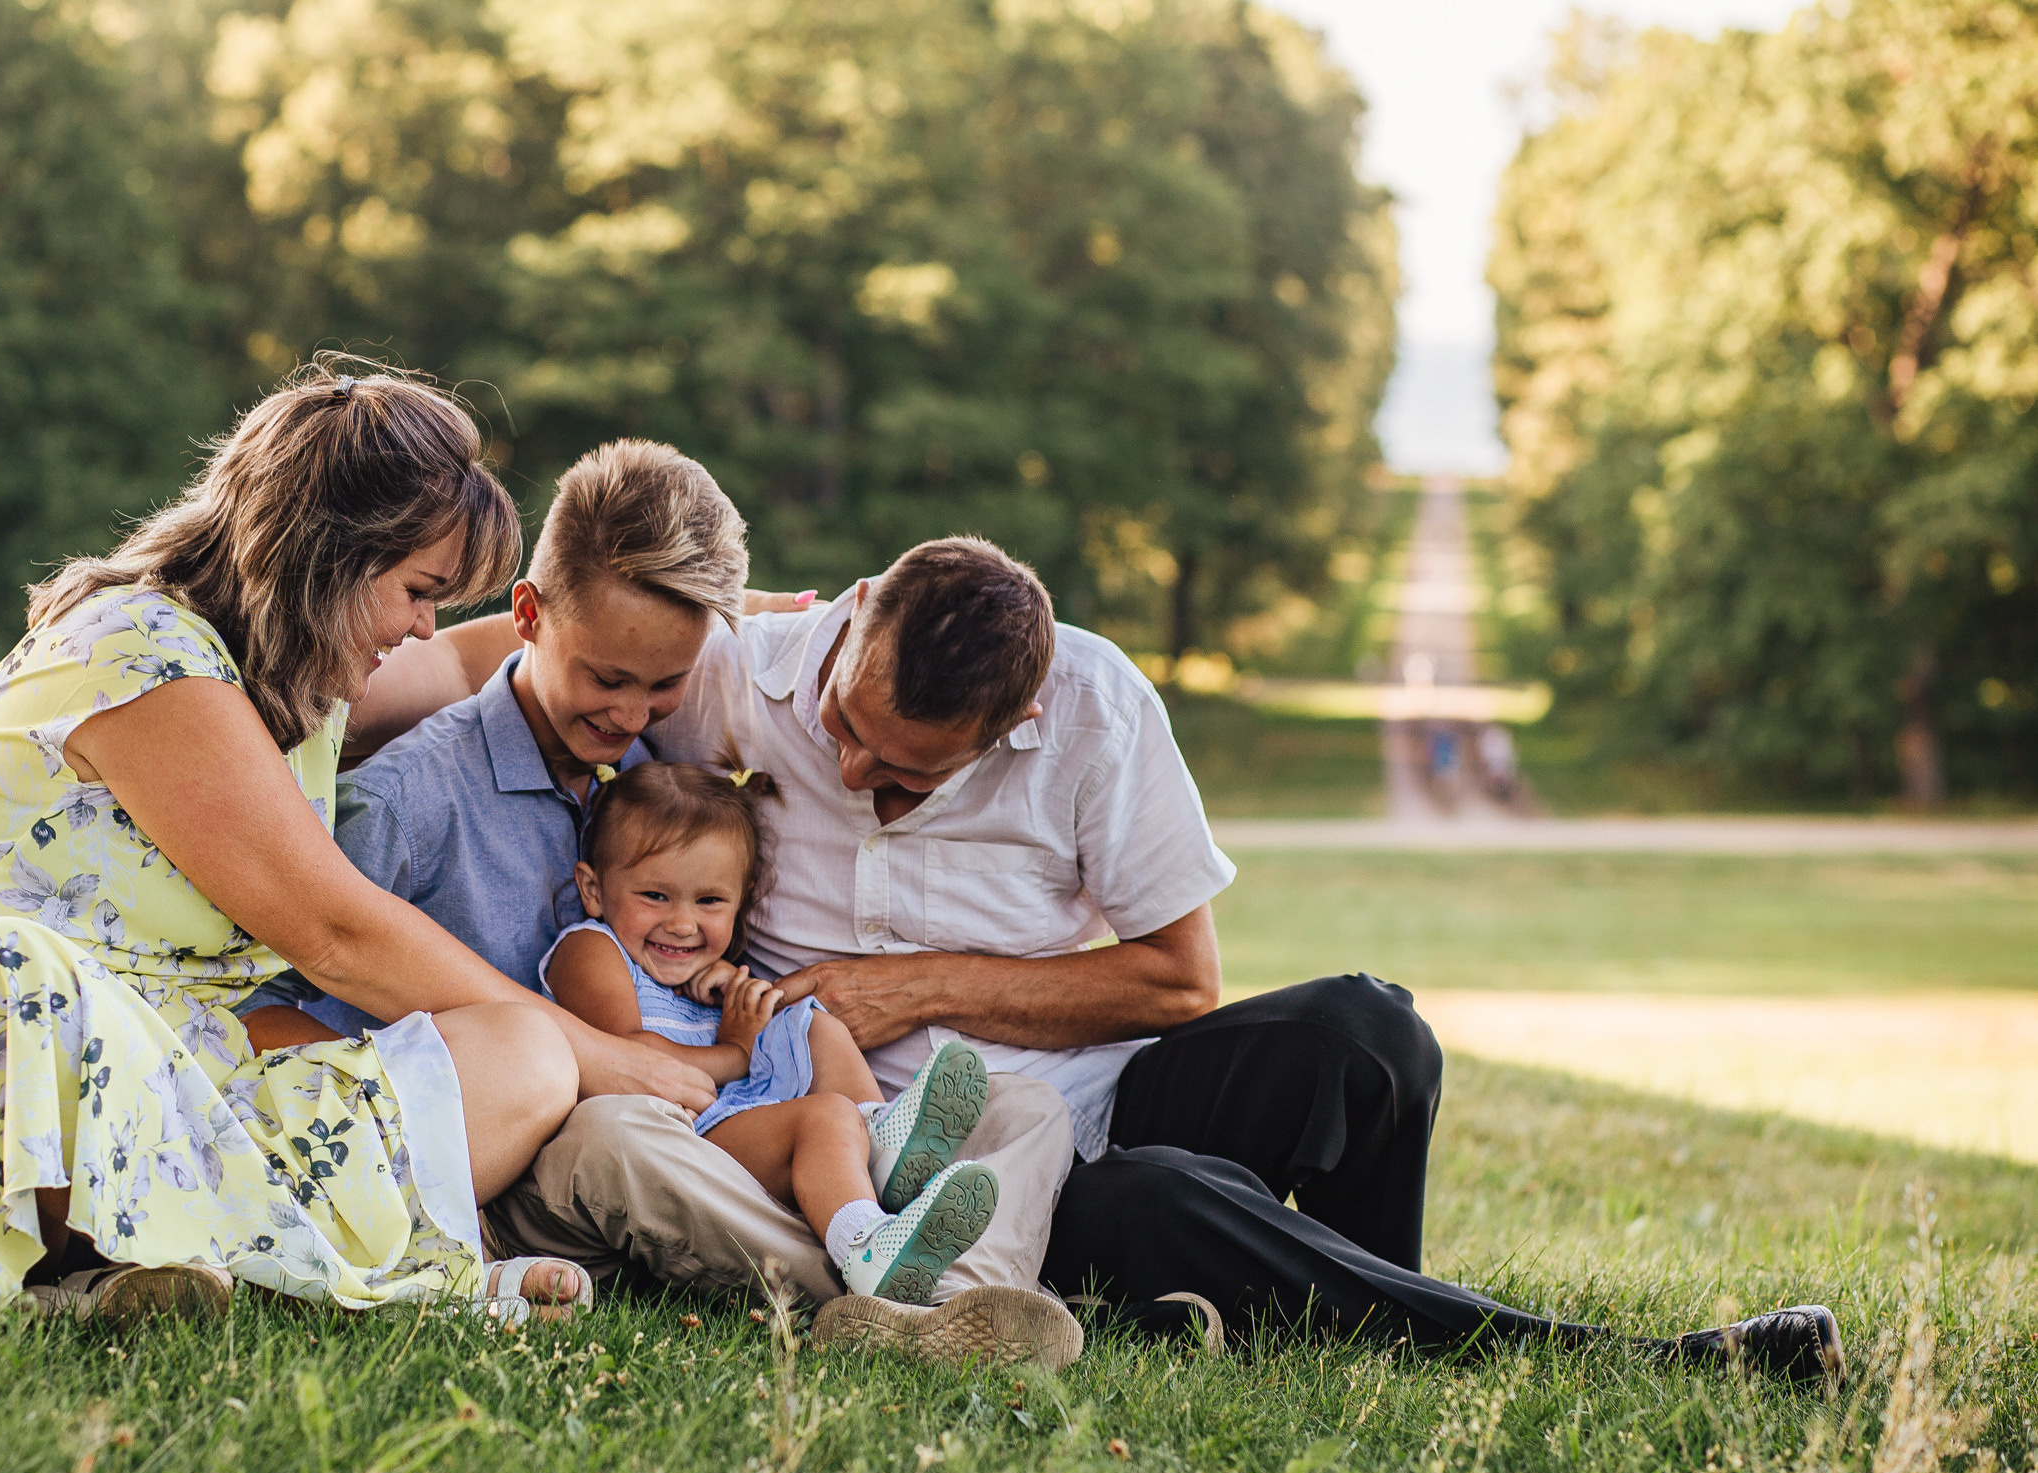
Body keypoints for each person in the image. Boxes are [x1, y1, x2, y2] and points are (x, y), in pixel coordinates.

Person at [370, 532, 1845, 1382]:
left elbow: (1179, 981)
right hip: (888, 1139)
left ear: (1011, 723)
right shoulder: (746, 679)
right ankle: (1608, 1353)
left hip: (1080, 1081)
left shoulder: (1093, 706)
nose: (851, 767)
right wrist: (311, 668)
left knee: (1369, 1027)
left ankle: (1362, 1305)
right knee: (1167, 1199)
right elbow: (536, 653)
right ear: (854, 618)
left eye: (902, 768)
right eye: (845, 730)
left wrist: (920, 982)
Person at [0, 360, 706, 1327]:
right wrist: (607, 1054)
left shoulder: (295, 679)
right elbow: (335, 933)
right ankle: (255, 1261)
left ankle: (167, 1267)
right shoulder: (139, 653)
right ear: (330, 555)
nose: (421, 623)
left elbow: (477, 658)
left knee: (522, 1056)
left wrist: (738, 617)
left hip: (168, 1080)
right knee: (8, 967)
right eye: (417, 588)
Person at [242, 439, 1081, 1369]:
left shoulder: (656, 774)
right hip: (548, 1147)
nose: (633, 714)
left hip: (717, 1120)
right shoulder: (410, 802)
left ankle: (953, 1301)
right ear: (528, 615)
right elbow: (254, 1015)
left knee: (1024, 1107)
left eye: (666, 683)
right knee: (619, 1132)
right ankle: (894, 1304)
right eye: (607, 677)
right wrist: (505, 1089)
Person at [542, 759, 1002, 1304]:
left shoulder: (699, 975)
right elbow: (627, 1057)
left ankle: (877, 1139)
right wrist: (737, 1048)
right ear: (594, 889)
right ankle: (865, 1249)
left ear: (742, 898)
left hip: (732, 1120)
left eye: (709, 901)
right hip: (679, 1141)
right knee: (823, 1117)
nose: (683, 924)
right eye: (655, 897)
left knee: (813, 1025)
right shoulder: (590, 949)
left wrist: (732, 1002)